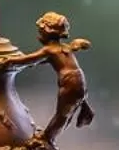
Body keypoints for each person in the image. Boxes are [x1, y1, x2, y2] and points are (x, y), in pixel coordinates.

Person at [11, 11, 95, 140]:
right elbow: (38, 60)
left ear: (46, 32)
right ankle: (50, 137)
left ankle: (47, 138)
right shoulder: (64, 48)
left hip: (69, 82)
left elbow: (27, 60)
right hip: (79, 80)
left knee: (62, 114)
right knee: (67, 114)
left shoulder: (49, 50)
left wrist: (8, 60)